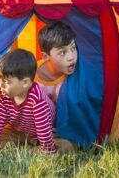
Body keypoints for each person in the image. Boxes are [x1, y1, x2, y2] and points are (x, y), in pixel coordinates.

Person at [0, 48, 57, 154]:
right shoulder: (4, 97)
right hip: (19, 132)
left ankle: (37, 149)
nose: (0, 85)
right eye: (0, 80)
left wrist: (47, 148)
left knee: (58, 146)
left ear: (25, 83)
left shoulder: (38, 101)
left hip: (44, 134)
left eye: (6, 82)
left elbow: (44, 131)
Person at [35, 21, 78, 151]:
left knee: (67, 146)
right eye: (62, 53)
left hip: (57, 133)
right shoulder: (31, 77)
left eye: (73, 48)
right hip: (32, 129)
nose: (71, 57)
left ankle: (37, 150)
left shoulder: (74, 78)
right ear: (45, 56)